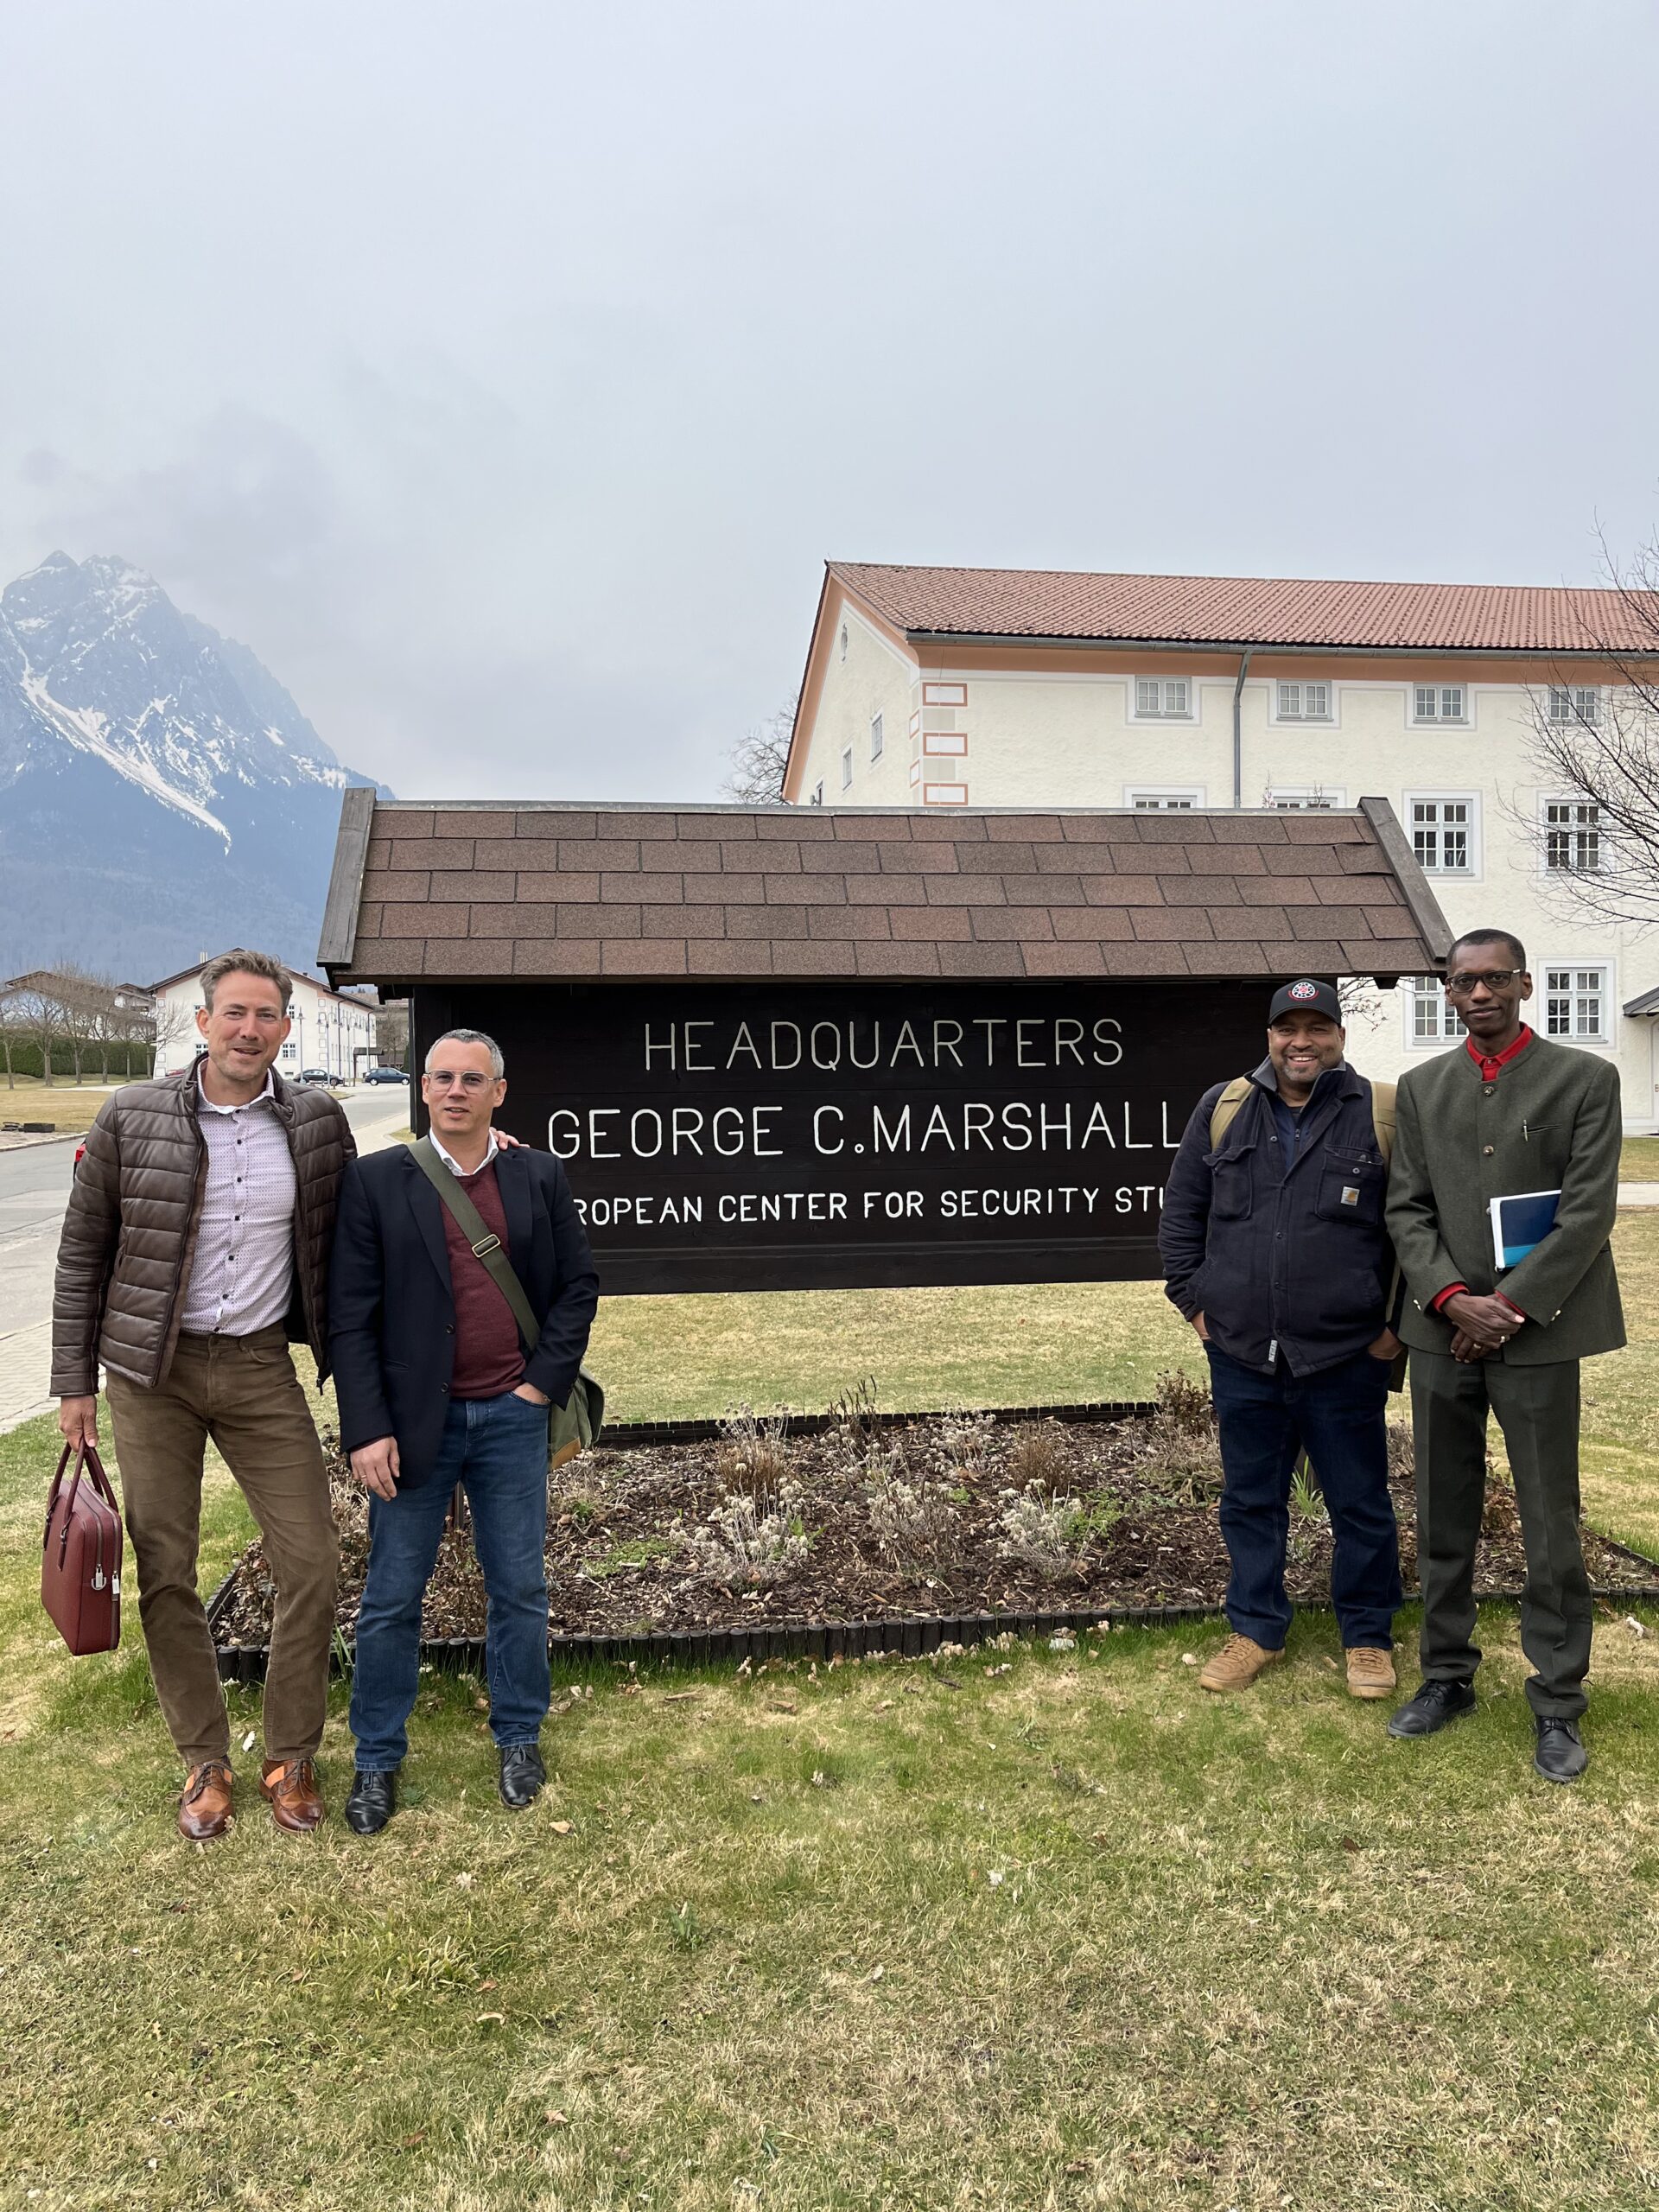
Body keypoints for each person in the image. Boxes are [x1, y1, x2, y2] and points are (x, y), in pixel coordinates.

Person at [51, 950, 353, 1840]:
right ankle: (203, 1762)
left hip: (260, 1365)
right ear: (203, 1021)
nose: (249, 1030)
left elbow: (369, 1209)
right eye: (235, 1014)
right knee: (167, 1568)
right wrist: (72, 1383)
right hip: (153, 1373)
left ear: (286, 1030)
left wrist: (492, 1153)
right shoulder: (130, 1116)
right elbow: (81, 1257)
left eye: (267, 1016)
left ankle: (291, 1753)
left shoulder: (317, 1124)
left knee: (313, 1560)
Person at [329, 1027, 599, 1834]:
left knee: (518, 1587)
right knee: (390, 1598)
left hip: (510, 1422)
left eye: (471, 1079)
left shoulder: (537, 1174)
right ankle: (376, 1756)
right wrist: (366, 1428)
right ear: (422, 1088)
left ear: (499, 1093)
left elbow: (577, 1287)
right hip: (413, 1427)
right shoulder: (376, 1182)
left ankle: (519, 1736)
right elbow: (351, 1316)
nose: (455, 1090)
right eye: (442, 1077)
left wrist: (537, 1387)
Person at [1385, 930, 1623, 1783]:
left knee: (1550, 1518)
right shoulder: (1422, 1089)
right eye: (1462, 982)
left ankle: (1557, 1700)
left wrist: (1509, 1307)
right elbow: (1405, 1210)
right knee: (1441, 1512)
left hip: (1542, 1333)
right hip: (1441, 1331)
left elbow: (1589, 1210)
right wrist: (1453, 1297)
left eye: (1494, 979)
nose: (1479, 993)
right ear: (1447, 994)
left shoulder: (1585, 1079)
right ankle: (1447, 1676)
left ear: (1524, 984)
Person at [1160, 978, 1403, 1698]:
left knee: (1358, 1501)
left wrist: (1395, 1332)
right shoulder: (1224, 1107)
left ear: (1339, 1035)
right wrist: (1192, 1305)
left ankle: (1367, 1636)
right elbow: (1182, 1215)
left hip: (1345, 1353)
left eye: (1317, 1027)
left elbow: (1414, 1227)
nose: (1303, 1041)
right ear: (1269, 1037)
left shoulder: (1382, 1114)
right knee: (1249, 1498)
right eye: (1288, 1028)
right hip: (1241, 1352)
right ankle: (1255, 1629)